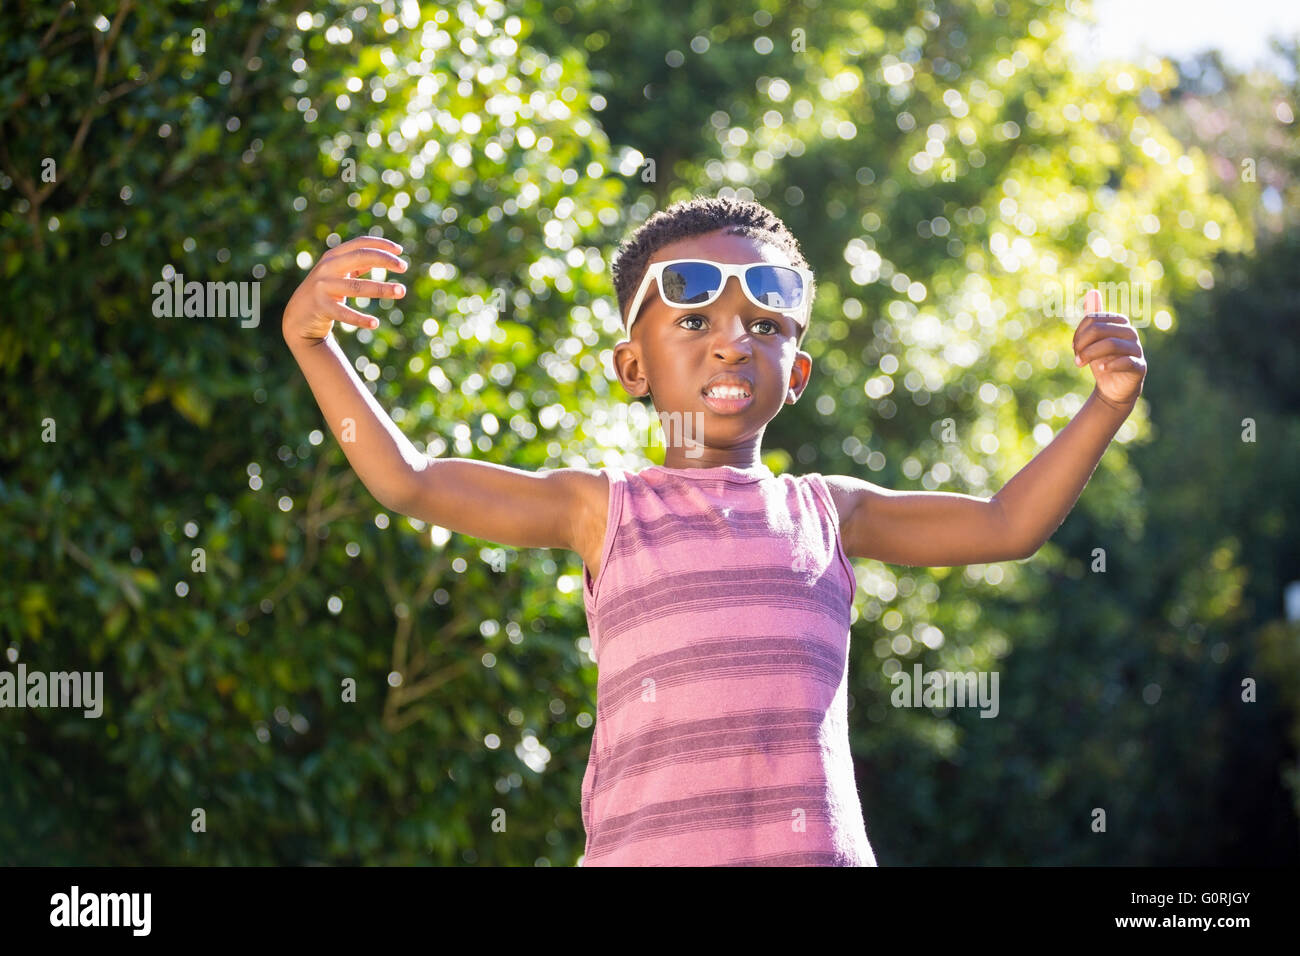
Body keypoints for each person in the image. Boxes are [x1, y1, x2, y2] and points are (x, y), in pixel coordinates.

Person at [282, 194, 1147, 866]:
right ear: (633, 367)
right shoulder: (602, 510)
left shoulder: (829, 512)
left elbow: (1007, 524)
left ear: (797, 372)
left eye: (763, 327)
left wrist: (1103, 408)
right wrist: (314, 342)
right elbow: (412, 481)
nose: (731, 345)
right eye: (693, 322)